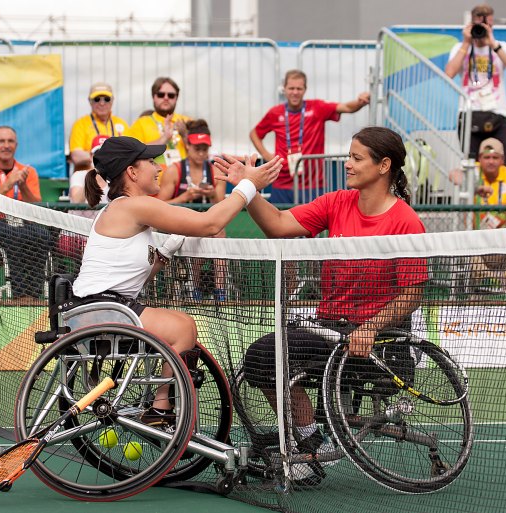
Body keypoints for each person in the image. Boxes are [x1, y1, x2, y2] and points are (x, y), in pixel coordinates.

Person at [215, 126, 427, 484]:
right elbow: (279, 226)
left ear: (383, 165)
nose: (348, 163)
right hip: (329, 328)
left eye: (357, 158)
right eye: (349, 155)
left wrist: (371, 328)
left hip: (378, 339)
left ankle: (308, 449)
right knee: (260, 360)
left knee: (265, 357)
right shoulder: (336, 203)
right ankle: (312, 441)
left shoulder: (405, 221)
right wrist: (246, 189)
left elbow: (412, 293)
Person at [72, 136, 281, 427]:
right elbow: (210, 223)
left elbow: (128, 279)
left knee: (180, 324)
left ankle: (164, 403)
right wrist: (249, 185)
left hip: (102, 308)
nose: (158, 168)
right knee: (183, 326)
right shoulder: (134, 206)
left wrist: (165, 252)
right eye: (151, 162)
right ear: (132, 172)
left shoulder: (125, 209)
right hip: (100, 311)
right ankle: (161, 408)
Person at [249, 69, 370, 204]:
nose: (295, 92)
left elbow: (346, 107)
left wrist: (360, 102)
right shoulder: (275, 113)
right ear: (284, 89)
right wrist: (267, 155)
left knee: (311, 224)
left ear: (305, 89)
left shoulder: (317, 107)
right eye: (291, 88)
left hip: (312, 185)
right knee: (276, 222)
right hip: (281, 182)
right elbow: (254, 134)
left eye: (299, 88)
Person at [157, 119, 228, 301]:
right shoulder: (174, 170)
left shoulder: (214, 171)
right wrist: (184, 198)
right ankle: (195, 288)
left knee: (217, 232)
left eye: (205, 149)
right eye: (197, 148)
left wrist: (211, 194)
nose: (202, 153)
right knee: (201, 233)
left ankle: (220, 291)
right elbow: (159, 206)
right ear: (187, 146)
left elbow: (221, 204)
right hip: (178, 225)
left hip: (204, 225)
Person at [445, 4, 506, 168]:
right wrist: (466, 43)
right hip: (469, 113)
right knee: (472, 167)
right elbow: (449, 73)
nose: (483, 30)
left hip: (498, 112)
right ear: (471, 24)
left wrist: (493, 43)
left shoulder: (502, 46)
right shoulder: (460, 48)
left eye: (488, 26)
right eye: (479, 26)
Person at [0, 126, 52, 300]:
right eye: (1, 141)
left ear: (16, 145)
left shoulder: (29, 172)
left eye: (10, 141)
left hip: (24, 223)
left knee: (42, 234)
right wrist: (6, 186)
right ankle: (18, 295)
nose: (6, 145)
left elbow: (37, 208)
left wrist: (22, 185)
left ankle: (35, 295)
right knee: (13, 234)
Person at [127, 77, 190, 183]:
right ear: (153, 97)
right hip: (153, 186)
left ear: (176, 98)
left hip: (184, 185)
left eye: (171, 95)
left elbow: (202, 154)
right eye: (161, 94)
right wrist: (163, 139)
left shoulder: (187, 121)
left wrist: (185, 136)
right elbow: (132, 154)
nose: (166, 98)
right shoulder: (141, 123)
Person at [68, 82, 129, 170]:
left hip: (116, 176)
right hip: (89, 175)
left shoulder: (122, 123)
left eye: (106, 99)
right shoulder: (80, 124)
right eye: (97, 99)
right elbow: (76, 156)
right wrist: (101, 156)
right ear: (90, 101)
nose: (102, 103)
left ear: (112, 101)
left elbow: (131, 153)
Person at [474, 137, 506, 228]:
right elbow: (456, 174)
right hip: (473, 228)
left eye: (495, 158)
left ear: (502, 160)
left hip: (503, 229)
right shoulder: (472, 171)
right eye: (486, 157)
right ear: (479, 159)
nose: (491, 162)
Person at [69, 135, 109, 204]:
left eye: (106, 154)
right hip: (79, 215)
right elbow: (76, 201)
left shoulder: (117, 180)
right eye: (98, 153)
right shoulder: (79, 175)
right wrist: (91, 178)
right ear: (91, 156)